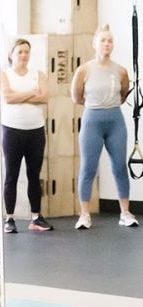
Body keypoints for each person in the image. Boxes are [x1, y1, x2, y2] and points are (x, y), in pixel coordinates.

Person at [71, 24, 139, 230]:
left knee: (119, 166)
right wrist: (97, 106)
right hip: (92, 119)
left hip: (115, 120)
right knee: (88, 168)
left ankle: (125, 213)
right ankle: (84, 215)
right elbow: (77, 97)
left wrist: (108, 105)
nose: (107, 44)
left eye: (110, 40)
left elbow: (123, 94)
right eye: (103, 40)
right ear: (95, 44)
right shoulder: (83, 70)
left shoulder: (121, 71)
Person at [1, 38, 53, 233]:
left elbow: (45, 97)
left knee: (34, 175)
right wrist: (32, 93)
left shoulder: (38, 74)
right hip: (12, 131)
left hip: (36, 132)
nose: (24, 55)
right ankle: (10, 219)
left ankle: (36, 217)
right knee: (11, 175)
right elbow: (7, 97)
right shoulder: (4, 75)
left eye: (26, 52)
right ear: (11, 55)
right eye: (20, 52)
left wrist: (20, 96)